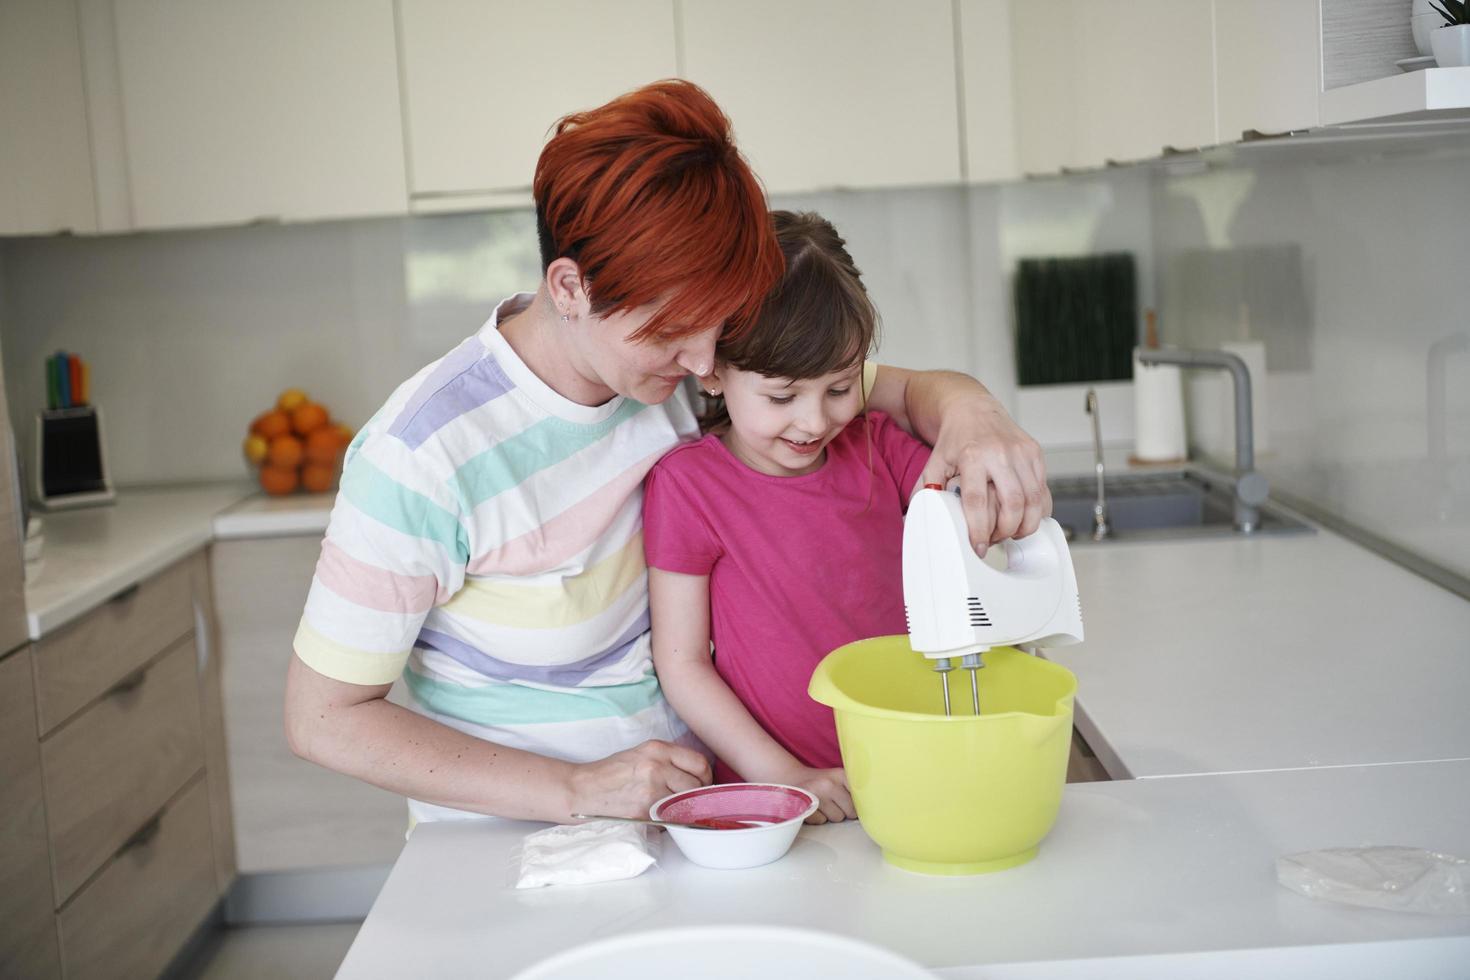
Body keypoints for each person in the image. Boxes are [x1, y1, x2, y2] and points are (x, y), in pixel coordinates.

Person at [284, 80, 1051, 826]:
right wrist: (576, 789)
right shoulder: (422, 454)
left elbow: (902, 392)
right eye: (670, 331)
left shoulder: (690, 373)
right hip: (523, 848)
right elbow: (324, 719)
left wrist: (977, 415)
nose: (700, 363)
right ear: (570, 287)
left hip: (711, 817)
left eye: (714, 327)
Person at [643, 211, 927, 824]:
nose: (815, 421)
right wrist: (784, 778)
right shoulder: (688, 487)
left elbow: (956, 504)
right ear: (714, 371)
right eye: (782, 396)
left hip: (910, 766)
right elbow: (682, 661)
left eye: (840, 387)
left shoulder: (881, 447)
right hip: (773, 800)